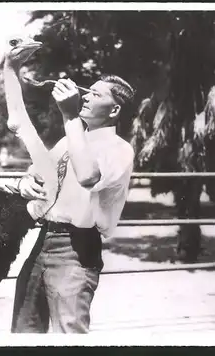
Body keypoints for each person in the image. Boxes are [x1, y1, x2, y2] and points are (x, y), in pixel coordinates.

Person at [11, 74, 135, 333]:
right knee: (23, 332)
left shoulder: (119, 148)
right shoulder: (69, 140)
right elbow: (38, 171)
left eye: (96, 94)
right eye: (87, 92)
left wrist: (70, 117)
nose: (86, 96)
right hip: (42, 242)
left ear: (114, 110)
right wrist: (25, 182)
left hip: (77, 249)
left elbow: (88, 175)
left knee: (70, 335)